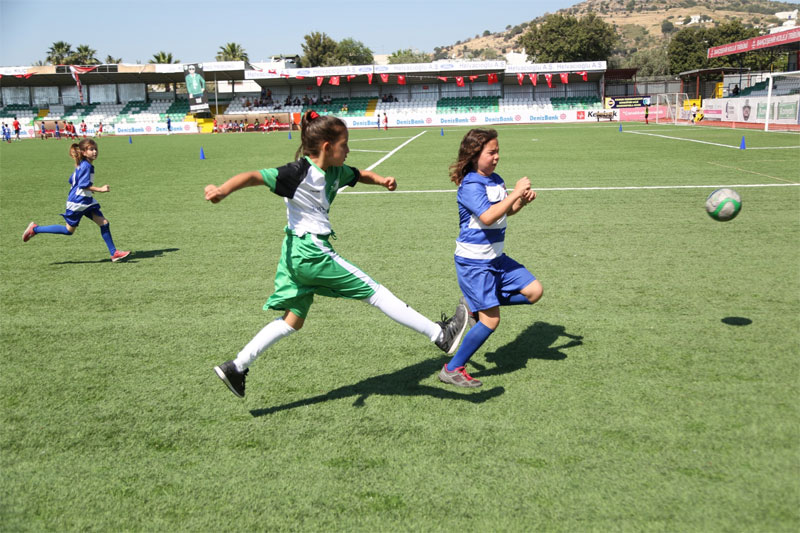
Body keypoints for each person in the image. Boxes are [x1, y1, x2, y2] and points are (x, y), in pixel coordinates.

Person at [205, 110, 468, 398]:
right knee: (376, 293)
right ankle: (440, 335)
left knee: (292, 320)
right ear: (328, 148)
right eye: (345, 144)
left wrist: (382, 181)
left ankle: (237, 366)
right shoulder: (297, 173)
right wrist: (222, 191)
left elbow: (359, 174)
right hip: (312, 252)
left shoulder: (334, 171)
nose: (349, 150)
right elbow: (254, 176)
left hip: (294, 256)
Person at [441, 128, 543, 388]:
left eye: (498, 151)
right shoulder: (471, 184)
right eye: (491, 152)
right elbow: (487, 216)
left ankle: (474, 305)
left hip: (496, 258)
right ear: (475, 155)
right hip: (475, 262)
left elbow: (503, 213)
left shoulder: (495, 179)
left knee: (534, 292)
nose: (497, 156)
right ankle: (452, 369)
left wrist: (520, 201)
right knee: (492, 320)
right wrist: (515, 193)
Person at [22, 138, 131, 262]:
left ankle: (114, 253)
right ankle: (35, 229)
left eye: (96, 149)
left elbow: (72, 180)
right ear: (84, 152)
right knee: (68, 231)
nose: (95, 152)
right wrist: (100, 189)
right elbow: (83, 185)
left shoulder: (83, 164)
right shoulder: (86, 166)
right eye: (91, 149)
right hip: (78, 202)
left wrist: (88, 190)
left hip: (85, 200)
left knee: (104, 223)